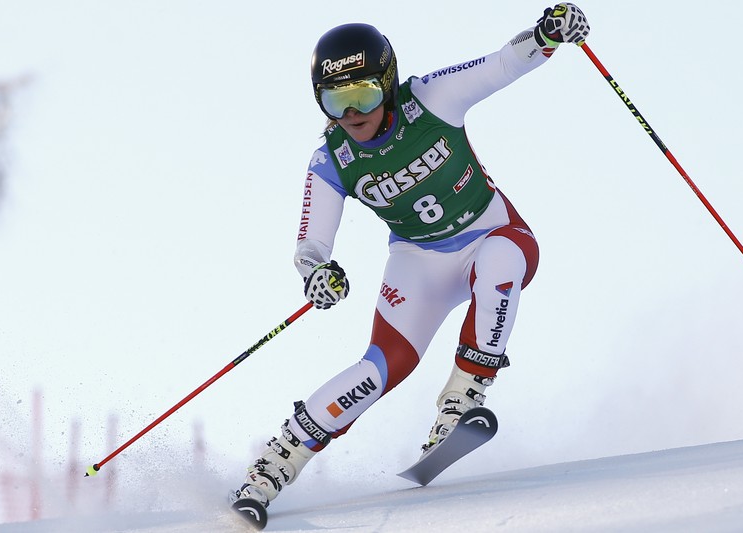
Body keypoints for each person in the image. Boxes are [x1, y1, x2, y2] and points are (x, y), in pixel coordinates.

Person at [232, 3, 590, 510]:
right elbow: (311, 245)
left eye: (364, 94)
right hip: (418, 262)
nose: (352, 113)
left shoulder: (432, 98)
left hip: (489, 232)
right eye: (336, 101)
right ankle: (272, 466)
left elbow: (502, 64)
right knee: (381, 368)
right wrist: (316, 273)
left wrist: (546, 35)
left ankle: (462, 397)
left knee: (504, 258)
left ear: (389, 82)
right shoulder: (332, 158)